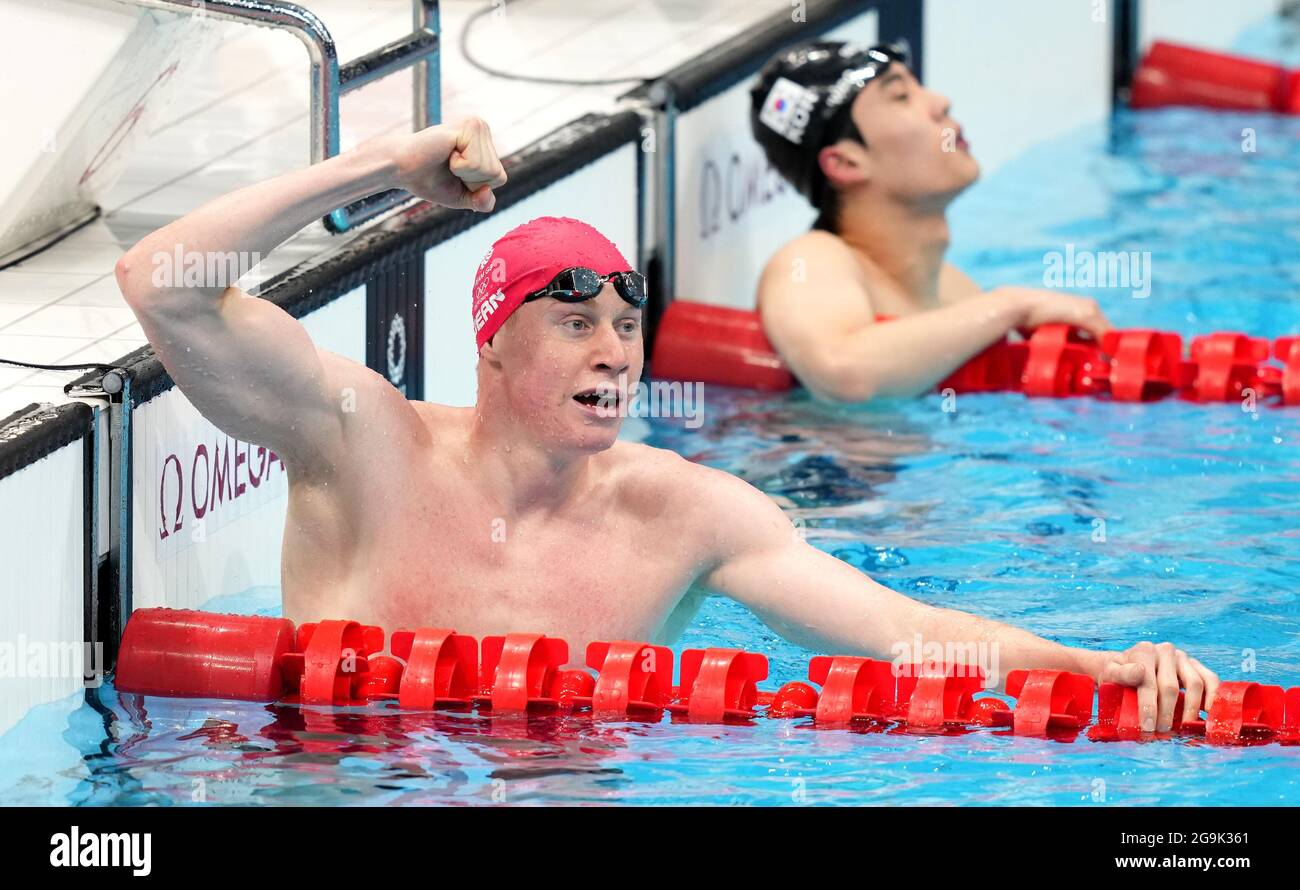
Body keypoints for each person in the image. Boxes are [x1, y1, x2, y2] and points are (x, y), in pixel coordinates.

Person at [114, 116, 1216, 733]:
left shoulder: (687, 512)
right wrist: (383, 169)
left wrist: (1093, 661)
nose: (615, 351)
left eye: (628, 326)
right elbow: (160, 283)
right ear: (490, 343)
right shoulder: (361, 445)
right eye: (575, 321)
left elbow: (905, 633)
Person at [751, 42, 1113, 402]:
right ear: (846, 163)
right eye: (900, 96)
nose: (940, 102)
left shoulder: (956, 290)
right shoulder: (812, 260)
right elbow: (845, 373)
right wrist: (1011, 306)